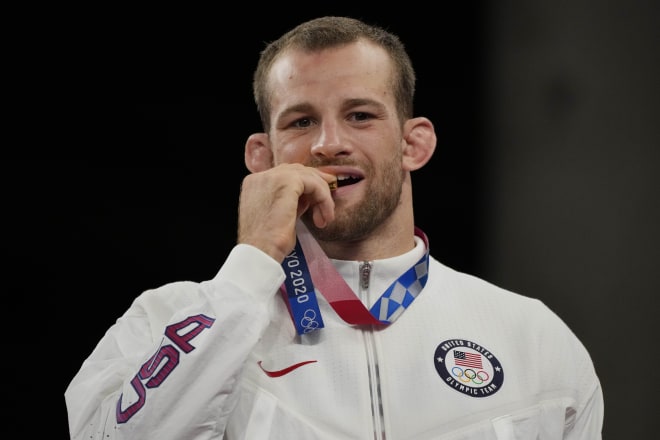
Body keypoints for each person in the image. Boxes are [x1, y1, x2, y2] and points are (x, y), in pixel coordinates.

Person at [65, 16, 604, 439]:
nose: (328, 143)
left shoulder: (533, 339)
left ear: (413, 144)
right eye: (301, 121)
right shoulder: (163, 321)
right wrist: (251, 263)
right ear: (262, 156)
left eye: (361, 116)